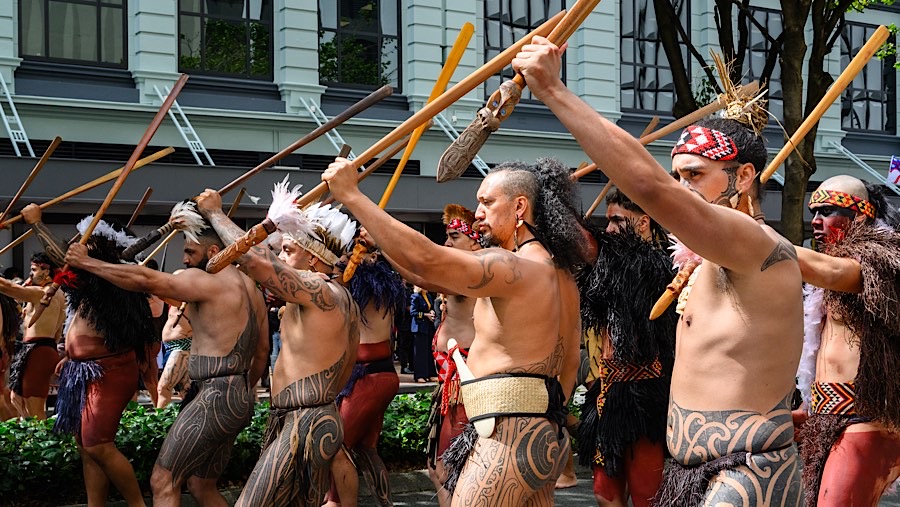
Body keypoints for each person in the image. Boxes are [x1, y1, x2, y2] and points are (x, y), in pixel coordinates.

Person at [513, 38, 803, 505]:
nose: (681, 190)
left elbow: (647, 186)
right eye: (678, 177)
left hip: (747, 473)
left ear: (744, 177)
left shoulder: (755, 242)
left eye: (695, 175)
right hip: (688, 475)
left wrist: (553, 90)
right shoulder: (715, 256)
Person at [323, 156, 587, 505]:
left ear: (520, 206)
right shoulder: (560, 274)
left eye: (487, 202)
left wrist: (353, 196)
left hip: (506, 439)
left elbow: (427, 259)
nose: (478, 212)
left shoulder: (511, 267)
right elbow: (569, 363)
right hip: (537, 433)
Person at [64, 210, 269, 506]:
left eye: (189, 251)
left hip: (214, 395)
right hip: (238, 396)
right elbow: (261, 352)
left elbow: (146, 280)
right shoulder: (251, 288)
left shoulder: (206, 280)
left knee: (163, 480)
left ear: (213, 251)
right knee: (201, 485)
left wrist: (86, 262)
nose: (184, 259)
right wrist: (239, 390)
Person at [196, 188, 360, 506]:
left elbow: (256, 261)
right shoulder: (330, 296)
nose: (280, 257)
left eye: (287, 250)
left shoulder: (321, 291)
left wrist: (215, 212)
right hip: (303, 418)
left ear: (312, 257)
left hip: (306, 422)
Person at [24, 206, 153, 507]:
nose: (76, 245)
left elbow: (63, 261)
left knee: (98, 444)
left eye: (85, 241)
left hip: (108, 371)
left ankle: (138, 505)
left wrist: (37, 224)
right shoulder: (90, 281)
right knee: (86, 445)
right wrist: (71, 357)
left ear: (102, 250)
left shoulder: (106, 277)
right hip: (83, 369)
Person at [792, 175, 900, 507]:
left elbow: (826, 269)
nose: (816, 221)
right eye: (814, 212)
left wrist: (753, 235)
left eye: (828, 211)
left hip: (866, 416)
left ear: (862, 215)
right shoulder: (828, 272)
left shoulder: (880, 262)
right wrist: (806, 409)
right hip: (825, 415)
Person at [577, 187, 677, 507]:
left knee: (648, 495)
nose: (609, 230)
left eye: (617, 221)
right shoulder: (609, 268)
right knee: (605, 494)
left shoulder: (659, 267)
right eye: (607, 222)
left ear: (644, 222)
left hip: (646, 399)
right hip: (608, 394)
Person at [324, 230, 406, 507]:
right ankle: (386, 504)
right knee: (366, 448)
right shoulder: (372, 278)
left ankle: (335, 502)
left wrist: (347, 261)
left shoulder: (374, 281)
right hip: (375, 375)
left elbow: (345, 281)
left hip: (369, 377)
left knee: (336, 446)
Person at [0, 252, 66, 419]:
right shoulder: (58, 295)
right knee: (16, 398)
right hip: (42, 348)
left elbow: (9, 289)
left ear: (46, 271)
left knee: (34, 407)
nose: (31, 273)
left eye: (34, 269)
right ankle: (30, 436)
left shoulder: (44, 293)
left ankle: (41, 442)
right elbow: (58, 332)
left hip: (39, 350)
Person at [155, 271, 192, 409]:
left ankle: (159, 425)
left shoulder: (188, 300)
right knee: (185, 392)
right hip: (172, 347)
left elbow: (161, 294)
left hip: (182, 347)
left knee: (163, 387)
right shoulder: (179, 300)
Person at [409, 285, 437, 383]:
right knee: (420, 353)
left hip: (428, 327)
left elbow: (430, 307)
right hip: (419, 327)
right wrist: (426, 315)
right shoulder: (415, 296)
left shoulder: (428, 296)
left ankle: (430, 373)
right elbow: (413, 312)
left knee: (428, 351)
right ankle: (420, 375)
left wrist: (432, 312)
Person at [0, 293, 20, 421]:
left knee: (1, 397)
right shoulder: (7, 303)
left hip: (2, 352)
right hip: (4, 351)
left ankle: (14, 431)